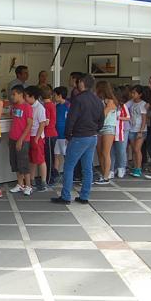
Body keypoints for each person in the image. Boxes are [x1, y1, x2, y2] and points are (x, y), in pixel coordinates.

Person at [52, 74, 104, 205]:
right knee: (87, 168)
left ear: (81, 83)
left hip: (79, 136)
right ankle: (84, 196)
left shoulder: (78, 99)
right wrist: (95, 130)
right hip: (92, 136)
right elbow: (101, 120)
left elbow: (71, 119)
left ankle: (65, 196)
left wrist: (68, 135)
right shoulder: (97, 100)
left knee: (69, 166)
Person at [8, 85, 33, 196]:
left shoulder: (27, 107)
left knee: (23, 163)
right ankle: (20, 184)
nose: (12, 96)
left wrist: (21, 140)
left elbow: (29, 124)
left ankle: (28, 186)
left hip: (22, 140)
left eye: (14, 94)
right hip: (12, 138)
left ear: (20, 94)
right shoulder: (14, 107)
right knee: (15, 162)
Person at [25, 86, 48, 193]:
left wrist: (37, 138)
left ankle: (43, 181)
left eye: (26, 96)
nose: (25, 98)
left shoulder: (40, 108)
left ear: (32, 97)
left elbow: (42, 124)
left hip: (36, 137)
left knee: (40, 160)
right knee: (32, 160)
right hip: (30, 136)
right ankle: (32, 179)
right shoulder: (29, 106)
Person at [95, 81, 118, 184]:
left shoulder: (110, 101)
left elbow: (104, 113)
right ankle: (104, 172)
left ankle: (106, 176)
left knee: (105, 152)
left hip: (108, 127)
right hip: (100, 127)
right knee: (100, 152)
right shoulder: (101, 100)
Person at [126, 85, 148, 178]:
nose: (132, 94)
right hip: (131, 128)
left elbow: (144, 119)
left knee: (136, 149)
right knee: (134, 150)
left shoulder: (143, 104)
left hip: (140, 130)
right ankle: (135, 167)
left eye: (134, 93)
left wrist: (141, 131)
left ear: (140, 94)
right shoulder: (131, 102)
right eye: (132, 92)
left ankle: (138, 168)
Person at [110, 86, 130, 179]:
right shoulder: (109, 104)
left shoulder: (122, 105)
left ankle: (121, 167)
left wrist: (119, 117)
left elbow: (128, 117)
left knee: (121, 150)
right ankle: (111, 169)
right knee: (111, 151)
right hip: (110, 131)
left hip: (120, 131)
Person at [52, 86, 69, 184]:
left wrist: (69, 135)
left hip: (64, 135)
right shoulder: (57, 106)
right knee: (56, 155)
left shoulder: (68, 106)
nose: (53, 97)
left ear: (60, 95)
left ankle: (68, 174)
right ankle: (56, 173)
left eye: (55, 95)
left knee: (66, 155)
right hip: (56, 134)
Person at [40, 85, 58, 185]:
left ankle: (50, 178)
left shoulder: (46, 106)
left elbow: (46, 122)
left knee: (49, 157)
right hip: (52, 133)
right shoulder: (52, 104)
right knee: (50, 156)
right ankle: (51, 176)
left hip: (48, 134)